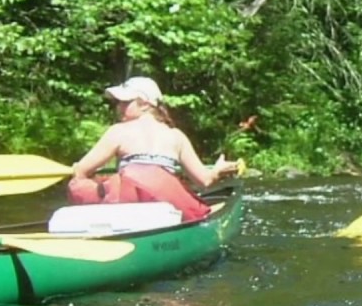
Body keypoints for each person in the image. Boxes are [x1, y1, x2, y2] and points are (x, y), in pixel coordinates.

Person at [68, 76, 240, 221]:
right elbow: (205, 180)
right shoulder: (176, 136)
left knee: (78, 185)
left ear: (144, 104)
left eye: (125, 102)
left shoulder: (118, 131)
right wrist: (218, 170)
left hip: (130, 202)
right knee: (204, 208)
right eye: (119, 102)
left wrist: (83, 174)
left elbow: (80, 172)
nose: (118, 107)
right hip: (169, 201)